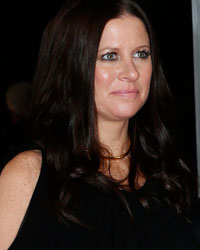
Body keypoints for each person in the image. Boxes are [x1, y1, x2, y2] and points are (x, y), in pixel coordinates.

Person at [0, 0, 199, 249]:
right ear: (72, 66)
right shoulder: (30, 175)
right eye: (109, 56)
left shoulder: (171, 174)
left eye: (141, 54)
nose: (131, 72)